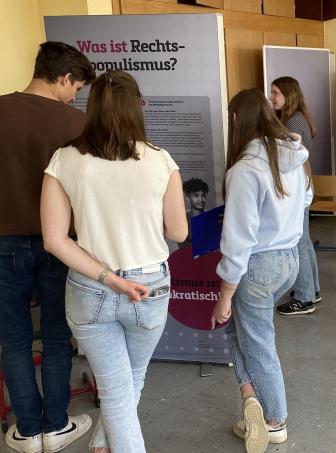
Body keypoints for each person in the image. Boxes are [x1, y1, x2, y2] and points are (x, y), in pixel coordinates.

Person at [41, 70, 187, 452]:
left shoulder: (64, 159)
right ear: (137, 107)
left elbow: (55, 240)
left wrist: (108, 277)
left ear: (91, 108)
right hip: (149, 286)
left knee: (119, 388)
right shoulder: (161, 160)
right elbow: (179, 232)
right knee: (128, 384)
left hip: (90, 287)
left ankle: (102, 446)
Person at [0, 41, 96, 453]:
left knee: (14, 337)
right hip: (60, 243)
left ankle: (27, 430)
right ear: (64, 77)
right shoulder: (76, 123)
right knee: (57, 335)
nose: (75, 96)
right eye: (76, 87)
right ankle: (56, 426)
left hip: (2, 243)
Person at [210, 88, 310, 452]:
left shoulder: (244, 170)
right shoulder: (294, 158)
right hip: (288, 258)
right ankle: (250, 399)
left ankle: (275, 420)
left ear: (238, 121)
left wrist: (224, 294)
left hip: (257, 265)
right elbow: (308, 199)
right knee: (243, 333)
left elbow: (238, 240)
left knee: (257, 342)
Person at [269, 76, 320, 315]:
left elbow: (288, 158)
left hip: (298, 187)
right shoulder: (292, 119)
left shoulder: (295, 122)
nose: (272, 97)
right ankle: (312, 290)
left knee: (299, 240)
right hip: (301, 186)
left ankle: (305, 297)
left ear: (289, 95)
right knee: (304, 239)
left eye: (276, 93)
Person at [181, 177, 209, 244]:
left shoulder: (211, 218)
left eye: (203, 196)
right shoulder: (183, 221)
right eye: (196, 196)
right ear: (188, 197)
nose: (201, 199)